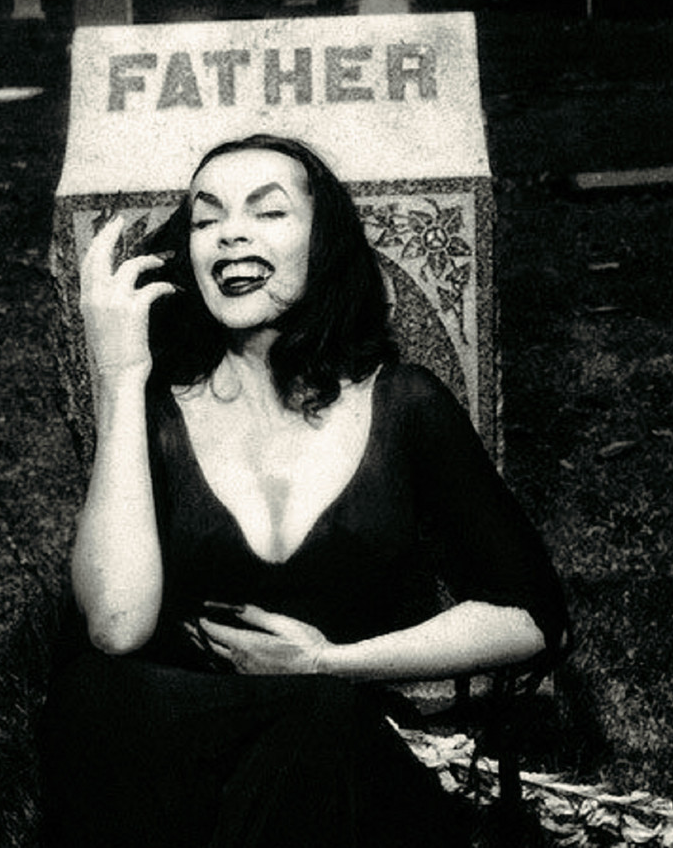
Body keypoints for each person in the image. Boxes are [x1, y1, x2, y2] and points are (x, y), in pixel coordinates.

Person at [40, 134, 569, 848]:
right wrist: (119, 377)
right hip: (178, 753)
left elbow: (531, 618)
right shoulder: (157, 413)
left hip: (325, 756)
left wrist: (330, 662)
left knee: (320, 715)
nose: (230, 233)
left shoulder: (404, 405)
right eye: (206, 218)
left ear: (324, 243)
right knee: (93, 696)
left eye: (268, 212)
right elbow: (115, 626)